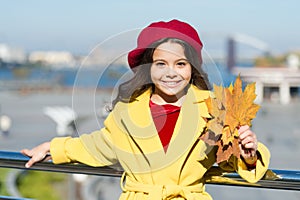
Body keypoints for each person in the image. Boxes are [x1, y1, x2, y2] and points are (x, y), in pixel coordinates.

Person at [21, 19, 270, 200]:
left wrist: (248, 154)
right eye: (160, 63)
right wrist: (54, 148)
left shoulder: (215, 110)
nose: (171, 72)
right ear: (147, 68)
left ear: (192, 68)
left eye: (180, 63)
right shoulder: (127, 112)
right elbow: (99, 146)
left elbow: (233, 160)